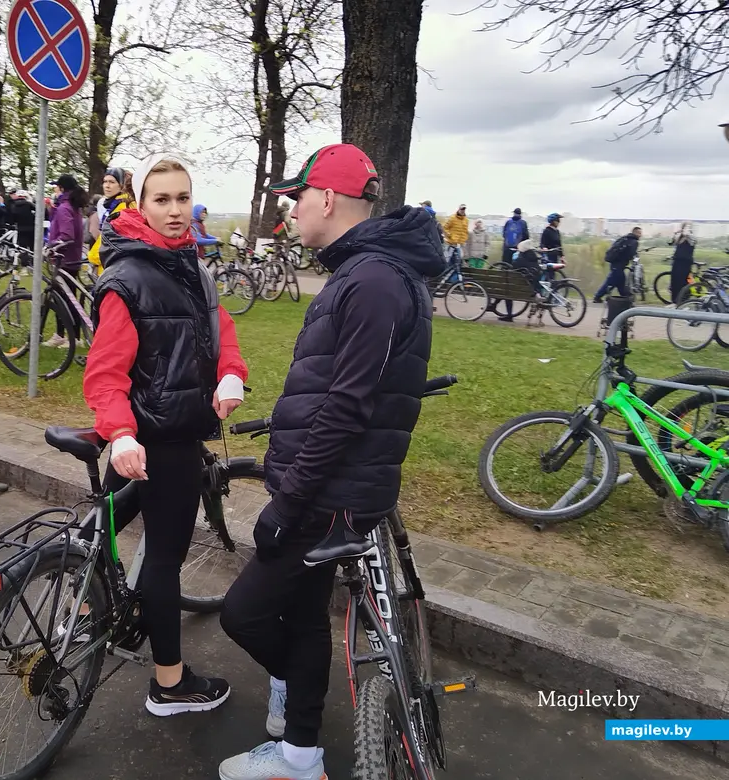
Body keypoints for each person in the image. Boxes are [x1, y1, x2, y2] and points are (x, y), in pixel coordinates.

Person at [218, 144, 444, 780]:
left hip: (327, 494)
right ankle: (300, 754)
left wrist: (289, 504)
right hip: (328, 483)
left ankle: (299, 709)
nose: (286, 210)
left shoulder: (371, 280)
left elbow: (347, 406)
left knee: (246, 614)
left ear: (326, 198)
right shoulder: (366, 272)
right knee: (304, 615)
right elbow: (343, 387)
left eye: (295, 198)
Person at [82, 151, 247, 716]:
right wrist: (122, 433)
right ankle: (170, 684)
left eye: (183, 198)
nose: (175, 210)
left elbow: (219, 332)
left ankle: (87, 611)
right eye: (162, 199)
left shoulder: (194, 269)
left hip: (161, 435)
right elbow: (104, 374)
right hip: (158, 443)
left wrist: (230, 374)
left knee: (99, 529)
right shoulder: (126, 279)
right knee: (163, 562)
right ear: (140, 204)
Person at [43, 174, 88, 347]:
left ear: (62, 188)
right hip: (71, 259)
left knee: (67, 300)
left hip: (64, 260)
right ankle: (61, 334)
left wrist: (50, 246)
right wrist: (52, 209)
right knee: (62, 299)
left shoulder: (65, 207)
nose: (54, 189)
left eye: (56, 186)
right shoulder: (70, 206)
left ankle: (73, 337)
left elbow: (67, 235)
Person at [88, 169, 134, 276]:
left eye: (112, 182)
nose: (107, 186)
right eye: (105, 181)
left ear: (121, 185)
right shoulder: (116, 204)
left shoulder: (123, 207)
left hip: (112, 266)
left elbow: (108, 237)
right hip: (112, 264)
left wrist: (93, 257)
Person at [594, 226, 642, 303]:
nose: (640, 235)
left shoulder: (625, 238)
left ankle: (626, 298)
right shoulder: (634, 242)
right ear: (635, 233)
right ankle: (597, 296)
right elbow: (632, 254)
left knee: (620, 282)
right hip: (618, 264)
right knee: (611, 281)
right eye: (639, 233)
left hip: (615, 263)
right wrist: (635, 259)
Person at [669, 222, 697, 303]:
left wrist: (686, 232)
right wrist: (676, 233)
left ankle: (684, 300)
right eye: (685, 227)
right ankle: (675, 301)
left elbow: (690, 238)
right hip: (677, 262)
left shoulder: (691, 238)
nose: (686, 229)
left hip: (685, 263)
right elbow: (672, 242)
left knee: (683, 282)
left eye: (688, 227)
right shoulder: (679, 238)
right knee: (674, 282)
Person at [12, 190, 37, 258]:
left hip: (20, 228)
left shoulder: (14, 206)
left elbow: (13, 218)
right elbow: (37, 210)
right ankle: (33, 261)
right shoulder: (28, 204)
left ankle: (24, 264)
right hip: (31, 227)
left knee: (23, 247)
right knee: (32, 246)